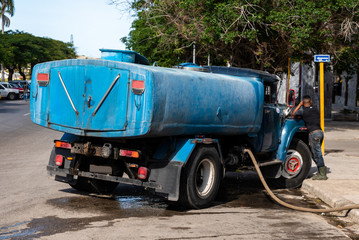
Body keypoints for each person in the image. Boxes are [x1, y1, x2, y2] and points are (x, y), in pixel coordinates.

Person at [292, 95, 327, 180]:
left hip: (313, 134)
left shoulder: (303, 111)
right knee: (314, 153)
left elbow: (293, 114)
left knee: (317, 154)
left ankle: (323, 174)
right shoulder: (315, 109)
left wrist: (300, 105)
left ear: (303, 103)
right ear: (310, 102)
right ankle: (320, 171)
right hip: (320, 132)